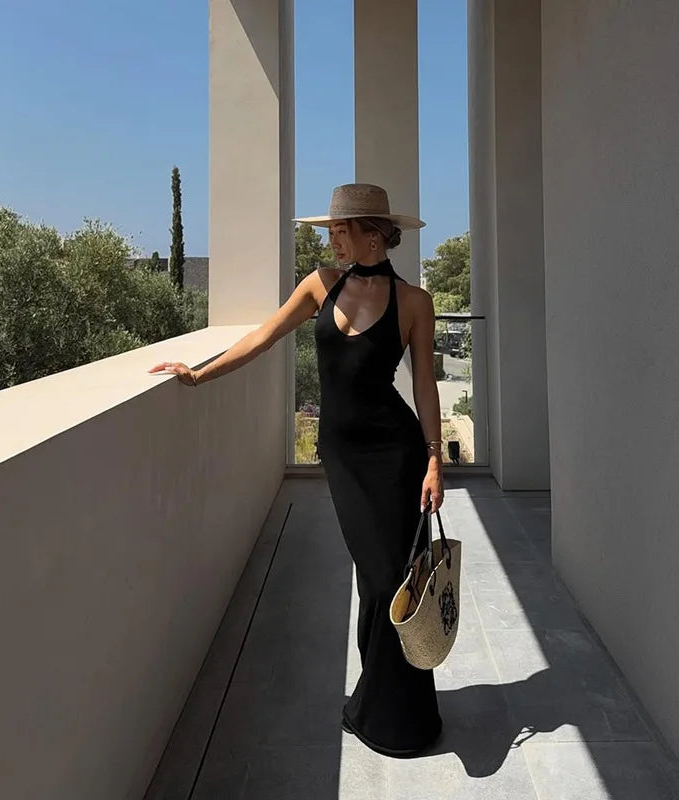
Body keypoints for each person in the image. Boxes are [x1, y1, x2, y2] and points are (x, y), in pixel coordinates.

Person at [149, 183, 445, 757]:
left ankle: (395, 713)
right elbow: (263, 336)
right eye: (330, 231)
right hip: (344, 454)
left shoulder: (415, 302)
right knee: (378, 574)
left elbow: (426, 385)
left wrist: (434, 458)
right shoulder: (319, 284)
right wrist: (199, 374)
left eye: (341, 230)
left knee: (390, 578)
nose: (332, 240)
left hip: (397, 452)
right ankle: (378, 702)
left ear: (374, 233)